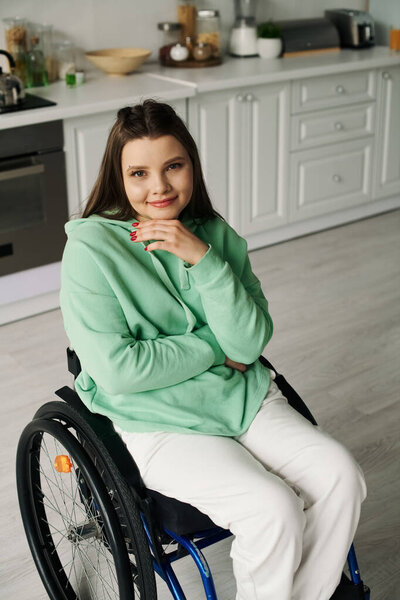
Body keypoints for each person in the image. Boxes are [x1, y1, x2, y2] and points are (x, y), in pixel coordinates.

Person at [60, 99, 367, 600]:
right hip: (158, 419)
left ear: (192, 167)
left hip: (242, 398)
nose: (158, 186)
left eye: (173, 166)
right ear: (119, 178)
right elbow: (119, 371)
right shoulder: (91, 251)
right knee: (272, 507)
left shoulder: (215, 235)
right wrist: (211, 346)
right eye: (139, 172)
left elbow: (249, 342)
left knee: (341, 475)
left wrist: (203, 259)